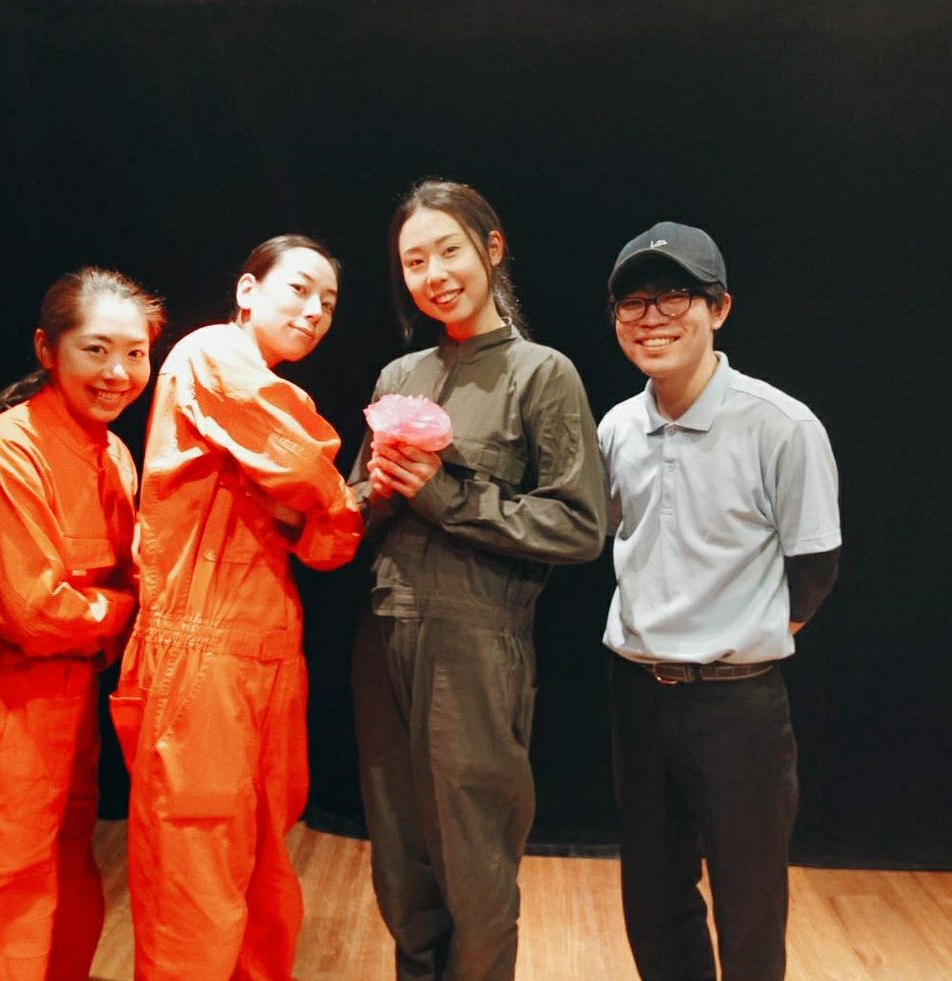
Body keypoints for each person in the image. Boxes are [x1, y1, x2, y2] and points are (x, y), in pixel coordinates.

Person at [348, 178, 607, 981]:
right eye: (414, 261)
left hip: (477, 639)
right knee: (399, 861)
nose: (434, 275)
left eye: (449, 251)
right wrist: (373, 494)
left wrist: (445, 494)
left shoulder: (542, 374)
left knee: (476, 866)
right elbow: (349, 511)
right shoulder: (399, 375)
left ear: (492, 249)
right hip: (384, 631)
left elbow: (579, 524)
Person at [111, 234, 364, 980]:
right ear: (248, 291)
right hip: (203, 654)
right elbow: (305, 466)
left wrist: (318, 508)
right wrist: (328, 500)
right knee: (194, 880)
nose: (314, 311)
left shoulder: (267, 389)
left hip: (264, 650)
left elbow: (327, 542)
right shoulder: (210, 354)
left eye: (328, 302)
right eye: (299, 289)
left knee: (262, 873)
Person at [0, 267, 165, 979]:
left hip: (67, 717)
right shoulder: (3, 449)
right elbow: (36, 614)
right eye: (96, 349)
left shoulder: (113, 454)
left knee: (63, 909)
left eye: (136, 353)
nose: (118, 372)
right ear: (47, 349)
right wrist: (133, 609)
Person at [598, 221, 842, 981]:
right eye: (633, 302)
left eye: (674, 297)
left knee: (750, 907)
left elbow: (815, 564)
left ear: (720, 308)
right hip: (639, 694)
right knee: (653, 902)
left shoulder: (781, 425)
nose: (652, 318)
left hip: (739, 704)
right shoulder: (617, 427)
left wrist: (750, 631)